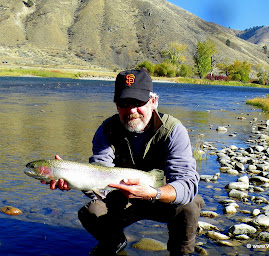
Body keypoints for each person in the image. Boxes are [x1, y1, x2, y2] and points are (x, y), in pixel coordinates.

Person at [48, 69, 204, 256]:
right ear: (116, 105)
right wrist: (70, 178)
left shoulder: (173, 131)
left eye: (138, 103)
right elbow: (97, 180)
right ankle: (115, 242)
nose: (131, 110)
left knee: (190, 204)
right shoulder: (106, 131)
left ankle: (181, 252)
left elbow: (187, 184)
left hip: (160, 197)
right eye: (124, 103)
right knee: (92, 211)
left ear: (153, 102)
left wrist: (153, 193)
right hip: (121, 199)